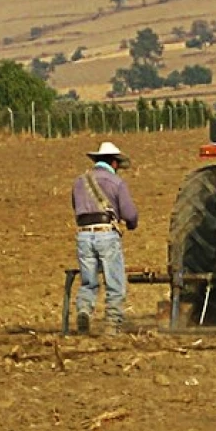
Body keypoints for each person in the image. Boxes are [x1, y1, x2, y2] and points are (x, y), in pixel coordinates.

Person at [71, 141, 139, 335]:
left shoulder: (80, 181)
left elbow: (75, 208)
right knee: (114, 281)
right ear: (114, 163)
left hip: (84, 235)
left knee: (88, 281)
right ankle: (112, 324)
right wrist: (132, 224)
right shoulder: (116, 182)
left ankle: (84, 309)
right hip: (106, 234)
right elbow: (129, 213)